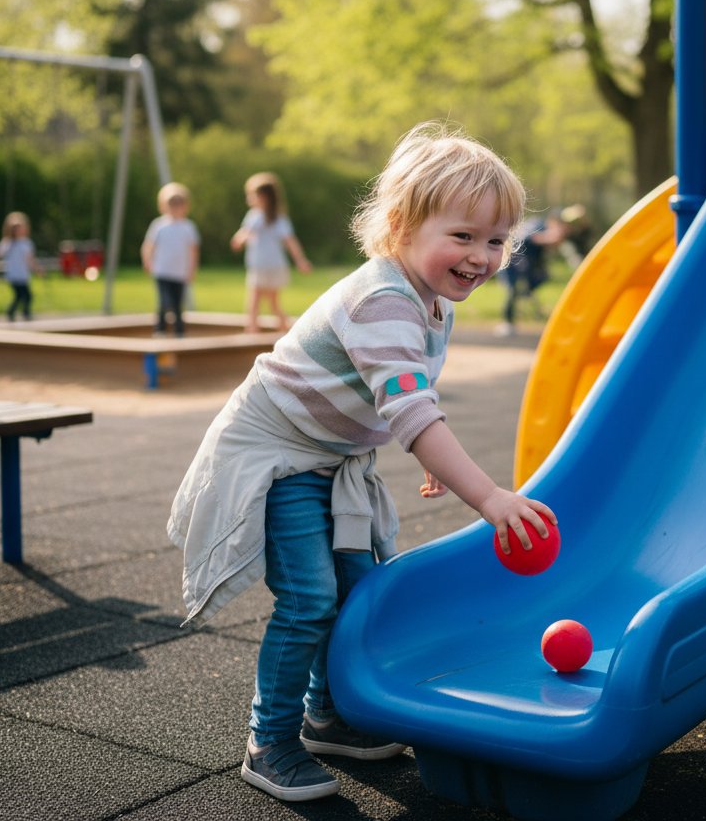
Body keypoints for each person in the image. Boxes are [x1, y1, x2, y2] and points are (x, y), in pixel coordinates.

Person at [167, 121, 558, 804]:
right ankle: (271, 741)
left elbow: (409, 397)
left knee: (358, 588)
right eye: (462, 236)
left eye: (496, 240)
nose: (481, 256)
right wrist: (487, 495)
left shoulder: (431, 301)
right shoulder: (381, 300)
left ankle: (329, 717)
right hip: (280, 454)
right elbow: (411, 414)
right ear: (403, 227)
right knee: (310, 599)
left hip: (332, 452)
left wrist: (433, 451)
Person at [230, 172, 312, 332]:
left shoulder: (277, 219)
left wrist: (301, 260)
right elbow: (244, 233)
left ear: (264, 197)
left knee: (266, 301)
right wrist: (238, 240)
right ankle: (256, 329)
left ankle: (271, 330)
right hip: (259, 264)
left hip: (271, 265)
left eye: (252, 195)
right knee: (260, 301)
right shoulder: (254, 216)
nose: (249, 199)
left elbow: (290, 241)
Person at [495, 204, 589, 336]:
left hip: (528, 264)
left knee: (542, 277)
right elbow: (526, 238)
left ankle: (526, 292)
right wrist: (547, 239)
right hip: (511, 260)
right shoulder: (538, 224)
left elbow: (571, 252)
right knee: (512, 289)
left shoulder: (561, 234)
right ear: (552, 222)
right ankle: (508, 322)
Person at [140, 182, 200, 336]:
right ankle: (160, 329)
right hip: (162, 271)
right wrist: (147, 261)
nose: (175, 208)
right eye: (172, 204)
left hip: (180, 272)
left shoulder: (188, 227)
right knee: (165, 301)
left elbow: (194, 250)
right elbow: (148, 246)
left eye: (179, 204)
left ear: (185, 206)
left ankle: (179, 330)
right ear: (163, 206)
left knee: (178, 303)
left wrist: (192, 269)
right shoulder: (159, 225)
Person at [0, 211, 41, 322]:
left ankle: (21, 312)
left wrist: (37, 269)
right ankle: (17, 312)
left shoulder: (26, 243)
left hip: (23, 275)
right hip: (13, 275)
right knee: (21, 295)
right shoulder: (8, 243)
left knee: (27, 296)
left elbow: (30, 259)